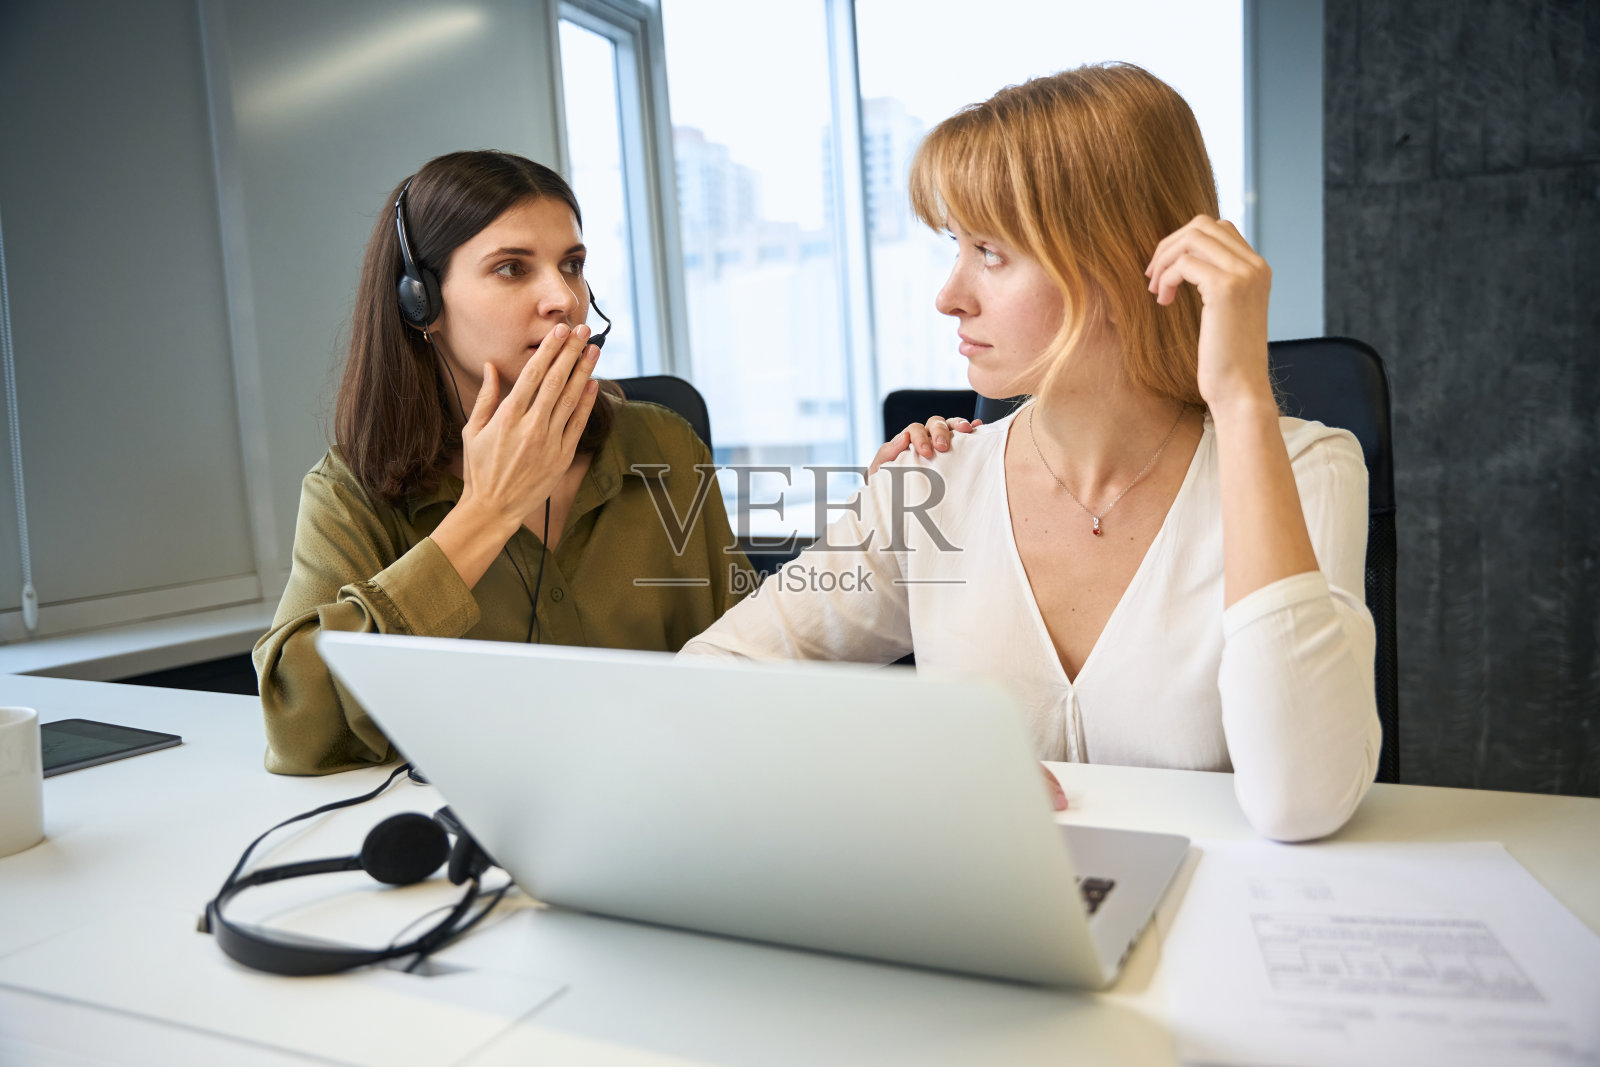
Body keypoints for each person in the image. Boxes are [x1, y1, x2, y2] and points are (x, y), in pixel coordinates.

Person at [681, 64, 1382, 842]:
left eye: (991, 252)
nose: (949, 295)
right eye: (957, 246)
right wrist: (906, 746)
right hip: (993, 925)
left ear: (1119, 263)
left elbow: (1302, 800)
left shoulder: (1308, 470)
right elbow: (713, 674)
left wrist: (1243, 400)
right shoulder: (932, 486)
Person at [256, 149, 950, 775]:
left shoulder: (662, 446)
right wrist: (484, 515)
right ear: (422, 302)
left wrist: (871, 528)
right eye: (511, 267)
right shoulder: (351, 489)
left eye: (572, 265)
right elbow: (297, 728)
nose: (563, 298)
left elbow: (755, 653)